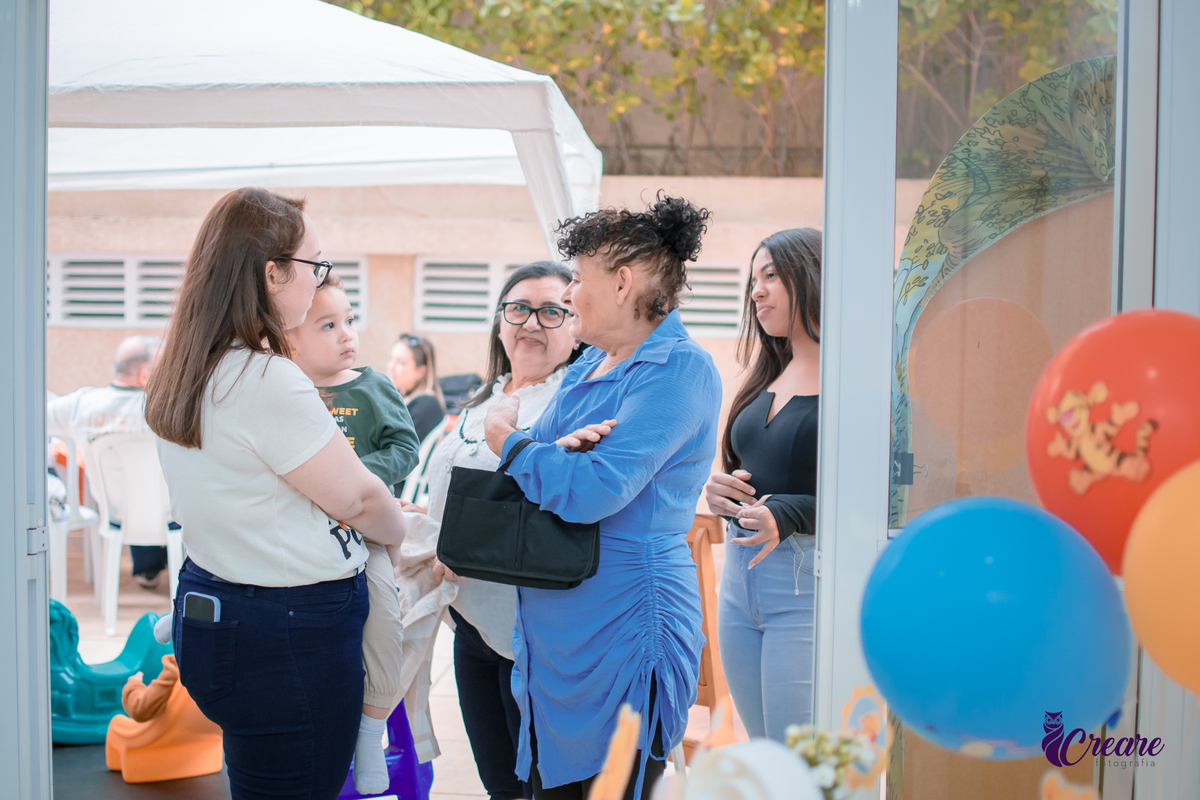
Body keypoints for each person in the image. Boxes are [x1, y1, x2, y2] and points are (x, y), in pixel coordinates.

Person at [145, 187, 407, 800]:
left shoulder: (187, 365)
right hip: (284, 635)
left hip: (212, 609)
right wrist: (402, 532)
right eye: (315, 267)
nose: (320, 283)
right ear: (272, 273)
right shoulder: (266, 377)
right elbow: (363, 503)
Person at [482, 195, 721, 800]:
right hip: (557, 632)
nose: (568, 297)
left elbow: (594, 489)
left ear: (622, 283)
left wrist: (511, 442)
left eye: (578, 280)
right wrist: (547, 450)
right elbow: (542, 465)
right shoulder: (590, 365)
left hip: (625, 627)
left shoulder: (679, 369)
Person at [414, 261, 580, 800]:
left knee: (536, 784)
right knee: (498, 782)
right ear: (500, 322)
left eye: (552, 310)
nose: (532, 322)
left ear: (577, 325)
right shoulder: (483, 399)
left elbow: (553, 497)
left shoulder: (572, 402)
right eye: (518, 309)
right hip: (470, 620)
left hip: (531, 630)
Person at [286, 272, 420, 795]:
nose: (346, 334)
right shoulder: (285, 388)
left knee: (386, 622)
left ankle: (370, 732)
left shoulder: (371, 386)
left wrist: (353, 476)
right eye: (328, 325)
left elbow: (404, 448)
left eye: (348, 321)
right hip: (291, 533)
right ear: (290, 339)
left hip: (361, 534)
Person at [703, 228, 822, 742]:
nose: (756, 291)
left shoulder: (855, 378)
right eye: (754, 279)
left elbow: (882, 493)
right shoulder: (769, 372)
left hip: (804, 588)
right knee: (766, 760)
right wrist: (717, 492)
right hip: (738, 584)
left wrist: (789, 511)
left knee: (799, 767)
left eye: (771, 275)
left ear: (811, 274)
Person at [47, 335, 168, 588]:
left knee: (132, 490)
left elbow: (34, 417)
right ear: (144, 376)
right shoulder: (169, 407)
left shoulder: (82, 404)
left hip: (113, 514)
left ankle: (147, 568)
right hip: (170, 517)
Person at [387, 333, 446, 442]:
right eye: (391, 359)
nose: (391, 366)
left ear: (420, 371)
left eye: (401, 362)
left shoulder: (425, 406)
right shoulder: (409, 400)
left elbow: (393, 450)